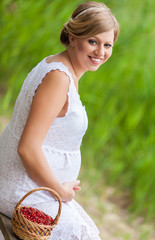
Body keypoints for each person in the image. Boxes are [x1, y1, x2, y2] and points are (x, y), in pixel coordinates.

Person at [0, 1, 119, 239]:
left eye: (107, 45)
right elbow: (27, 148)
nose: (100, 52)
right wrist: (60, 190)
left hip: (38, 187)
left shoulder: (61, 67)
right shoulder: (58, 78)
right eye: (93, 41)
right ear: (73, 37)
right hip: (24, 190)